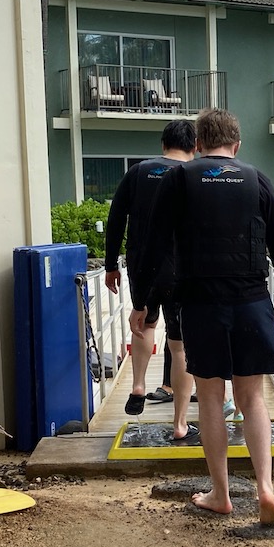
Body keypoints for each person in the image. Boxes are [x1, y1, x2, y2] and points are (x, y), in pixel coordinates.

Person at [134, 108, 274, 523]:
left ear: (197, 145)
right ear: (237, 145)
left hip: (201, 304)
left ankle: (221, 494)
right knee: (253, 399)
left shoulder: (180, 178)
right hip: (252, 302)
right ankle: (265, 487)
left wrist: (142, 302)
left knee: (210, 398)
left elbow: (151, 246)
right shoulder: (256, 178)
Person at [103, 120, 195, 439]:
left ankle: (139, 384)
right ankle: (181, 421)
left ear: (163, 144)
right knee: (180, 344)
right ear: (194, 146)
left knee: (144, 322)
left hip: (142, 265)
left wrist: (110, 264)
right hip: (182, 268)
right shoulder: (194, 175)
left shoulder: (139, 172)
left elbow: (116, 219)